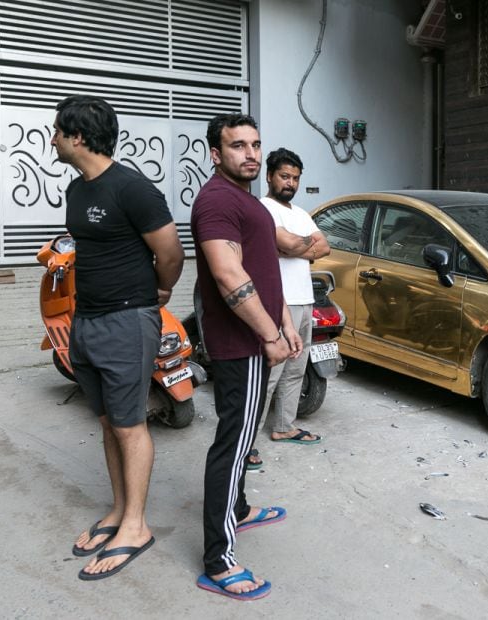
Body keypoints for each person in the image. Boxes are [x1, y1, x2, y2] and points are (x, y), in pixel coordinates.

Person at [52, 95, 185, 580]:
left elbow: (171, 252)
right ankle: (118, 511)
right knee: (109, 423)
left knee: (130, 426)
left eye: (57, 131)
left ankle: (136, 526)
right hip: (86, 321)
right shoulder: (76, 189)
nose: (52, 139)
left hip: (128, 321)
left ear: (78, 136)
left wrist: (160, 291)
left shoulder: (132, 188)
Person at [190, 113, 303, 600]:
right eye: (237, 146)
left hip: (257, 333)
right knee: (233, 445)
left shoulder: (246, 199)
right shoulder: (217, 201)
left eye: (255, 144)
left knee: (239, 433)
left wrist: (283, 321)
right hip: (239, 343)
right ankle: (218, 559)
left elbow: (260, 265)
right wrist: (269, 336)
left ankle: (236, 509)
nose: (251, 154)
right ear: (216, 154)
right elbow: (229, 276)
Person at [245, 148, 330, 469]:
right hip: (276, 302)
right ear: (269, 176)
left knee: (296, 368)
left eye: (295, 178)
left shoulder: (300, 213)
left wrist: (292, 245)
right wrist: (302, 245)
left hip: (304, 299)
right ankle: (246, 442)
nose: (290, 183)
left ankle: (283, 426)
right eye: (284, 176)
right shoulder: (262, 209)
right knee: (269, 374)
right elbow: (302, 245)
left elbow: (325, 246)